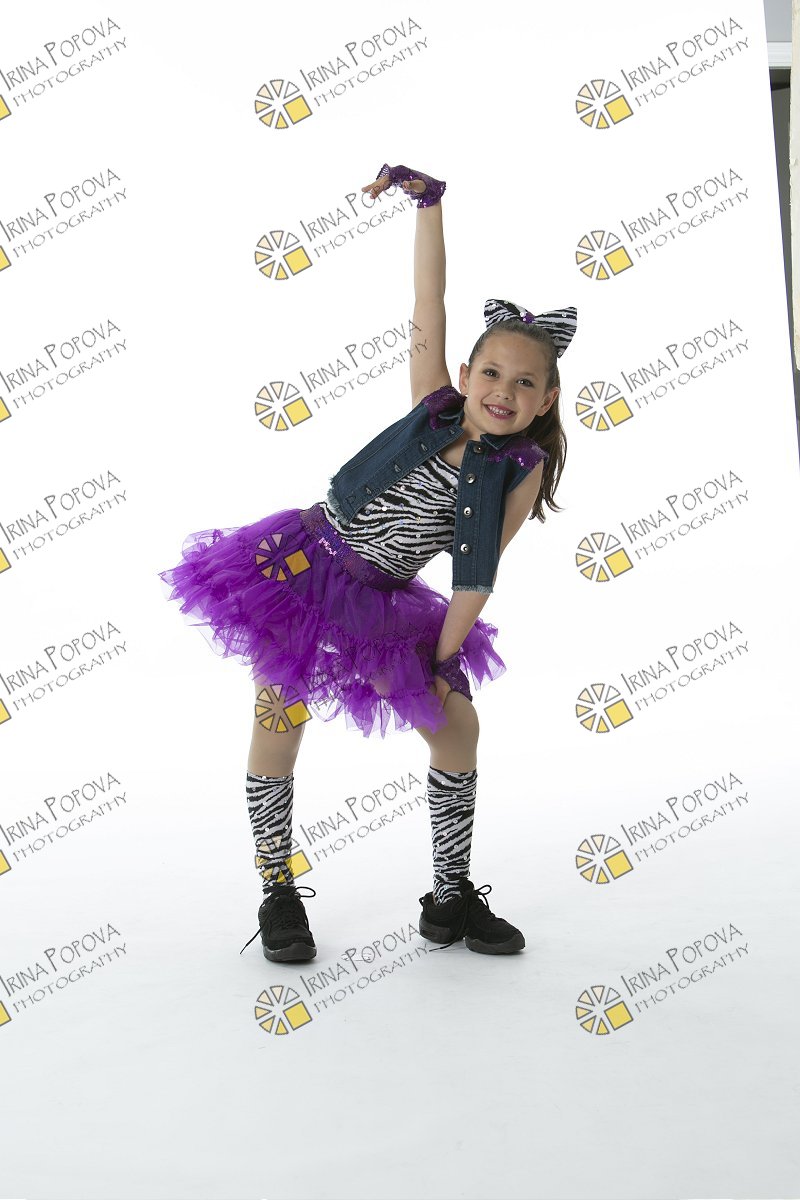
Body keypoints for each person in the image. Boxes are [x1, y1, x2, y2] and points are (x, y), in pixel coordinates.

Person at [158, 162, 577, 965]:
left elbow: (478, 575)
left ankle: (449, 896)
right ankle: (278, 890)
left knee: (455, 725)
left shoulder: (517, 474)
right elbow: (429, 303)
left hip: (379, 602)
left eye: (525, 383)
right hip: (301, 567)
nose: (504, 391)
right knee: (278, 716)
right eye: (492, 373)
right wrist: (430, 207)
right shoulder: (431, 405)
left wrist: (442, 659)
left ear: (546, 400)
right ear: (466, 376)